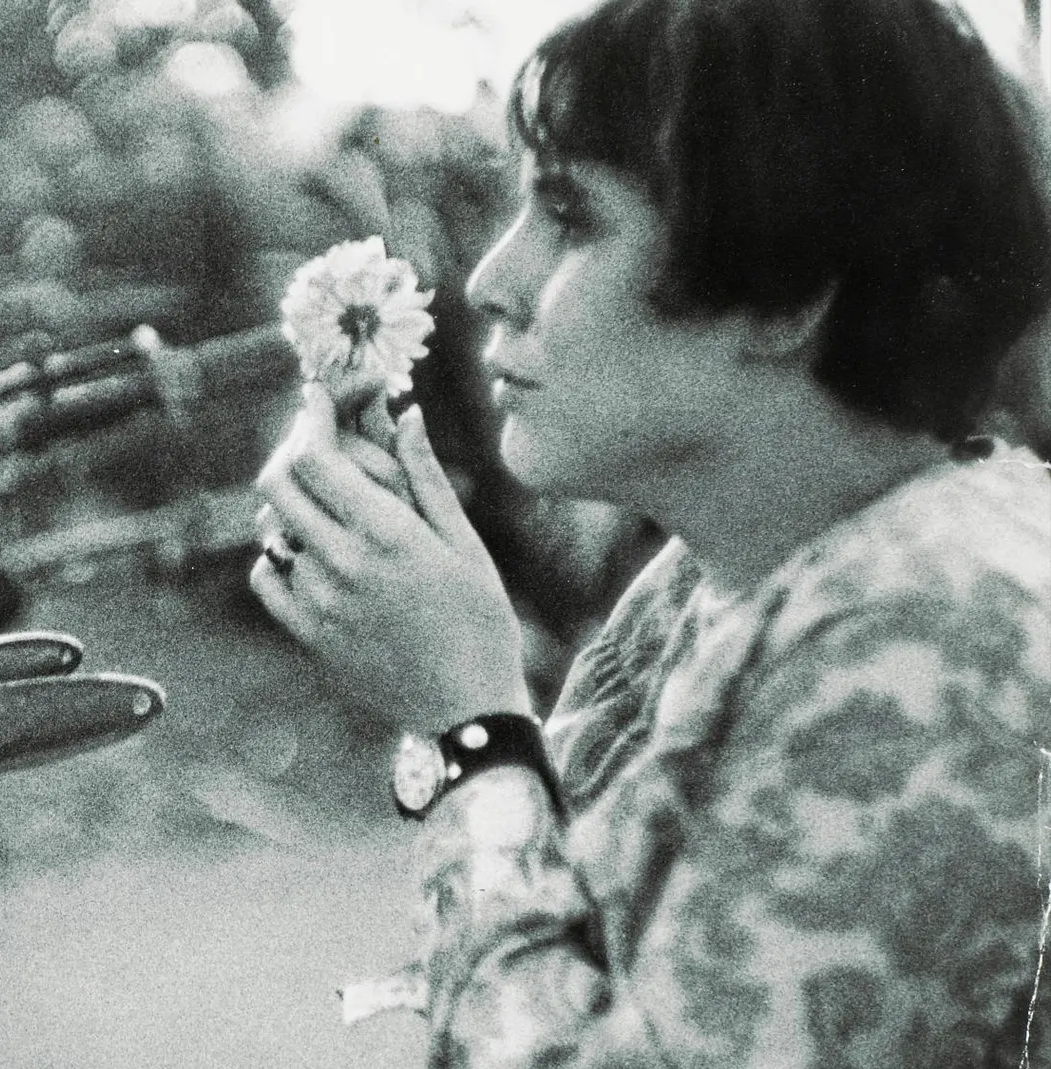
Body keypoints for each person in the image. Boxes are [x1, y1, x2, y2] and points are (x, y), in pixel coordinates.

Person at [250, 0, 1051, 1064]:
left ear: (787, 290)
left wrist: (468, 727)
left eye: (572, 218)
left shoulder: (942, 631)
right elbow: (573, 928)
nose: (494, 282)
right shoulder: (735, 569)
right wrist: (446, 698)